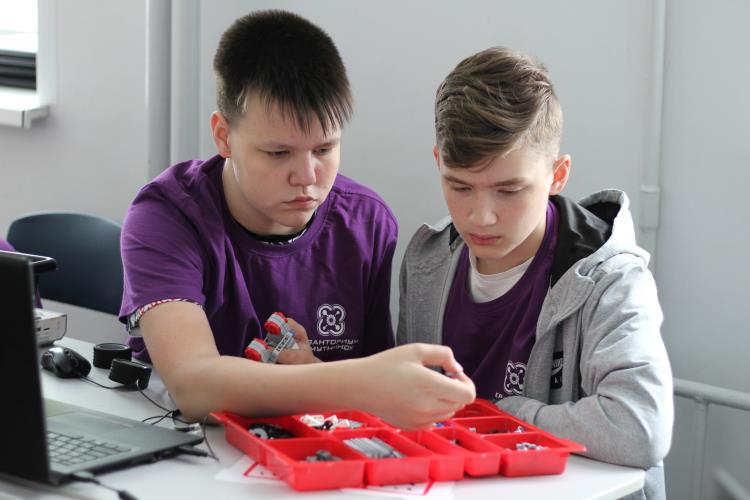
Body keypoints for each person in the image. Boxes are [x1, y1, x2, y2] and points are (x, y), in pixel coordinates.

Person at [119, 10, 475, 429]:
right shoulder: (166, 216)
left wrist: (321, 372)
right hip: (183, 447)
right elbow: (194, 386)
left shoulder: (367, 223)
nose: (306, 177)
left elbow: (361, 390)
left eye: (324, 149)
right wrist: (356, 383)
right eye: (278, 153)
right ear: (223, 136)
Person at [397, 47, 673, 498]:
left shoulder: (613, 279)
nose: (481, 216)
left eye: (509, 190)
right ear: (438, 162)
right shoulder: (425, 258)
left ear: (557, 175)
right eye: (459, 186)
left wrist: (505, 414)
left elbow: (639, 429)